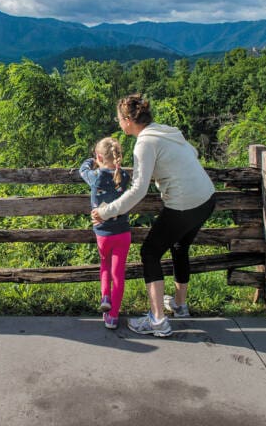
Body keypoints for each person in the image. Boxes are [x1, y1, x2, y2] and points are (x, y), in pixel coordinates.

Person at [91, 94, 215, 337]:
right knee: (179, 246)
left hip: (183, 204)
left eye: (119, 119)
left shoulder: (145, 143)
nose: (118, 124)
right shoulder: (167, 130)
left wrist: (106, 212)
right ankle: (179, 305)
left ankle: (158, 321)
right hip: (206, 198)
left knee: (149, 252)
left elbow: (138, 190)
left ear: (128, 120)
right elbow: (193, 153)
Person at [79, 137, 132, 330]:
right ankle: (113, 316)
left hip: (102, 233)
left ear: (99, 157)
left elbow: (82, 170)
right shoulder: (124, 176)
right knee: (118, 274)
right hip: (123, 232)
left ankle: (105, 297)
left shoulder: (95, 176)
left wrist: (90, 161)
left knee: (104, 267)